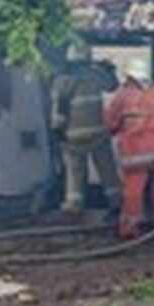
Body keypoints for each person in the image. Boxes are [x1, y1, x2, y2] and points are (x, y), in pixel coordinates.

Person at [103, 58, 154, 239]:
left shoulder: (123, 95)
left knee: (133, 193)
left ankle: (129, 229)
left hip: (137, 154)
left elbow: (110, 124)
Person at [49, 42, 119, 213]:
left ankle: (74, 204)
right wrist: (109, 69)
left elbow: (60, 109)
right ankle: (116, 200)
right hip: (98, 133)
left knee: (74, 170)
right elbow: (113, 86)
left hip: (73, 135)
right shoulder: (96, 75)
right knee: (107, 168)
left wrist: (57, 133)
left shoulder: (62, 81)